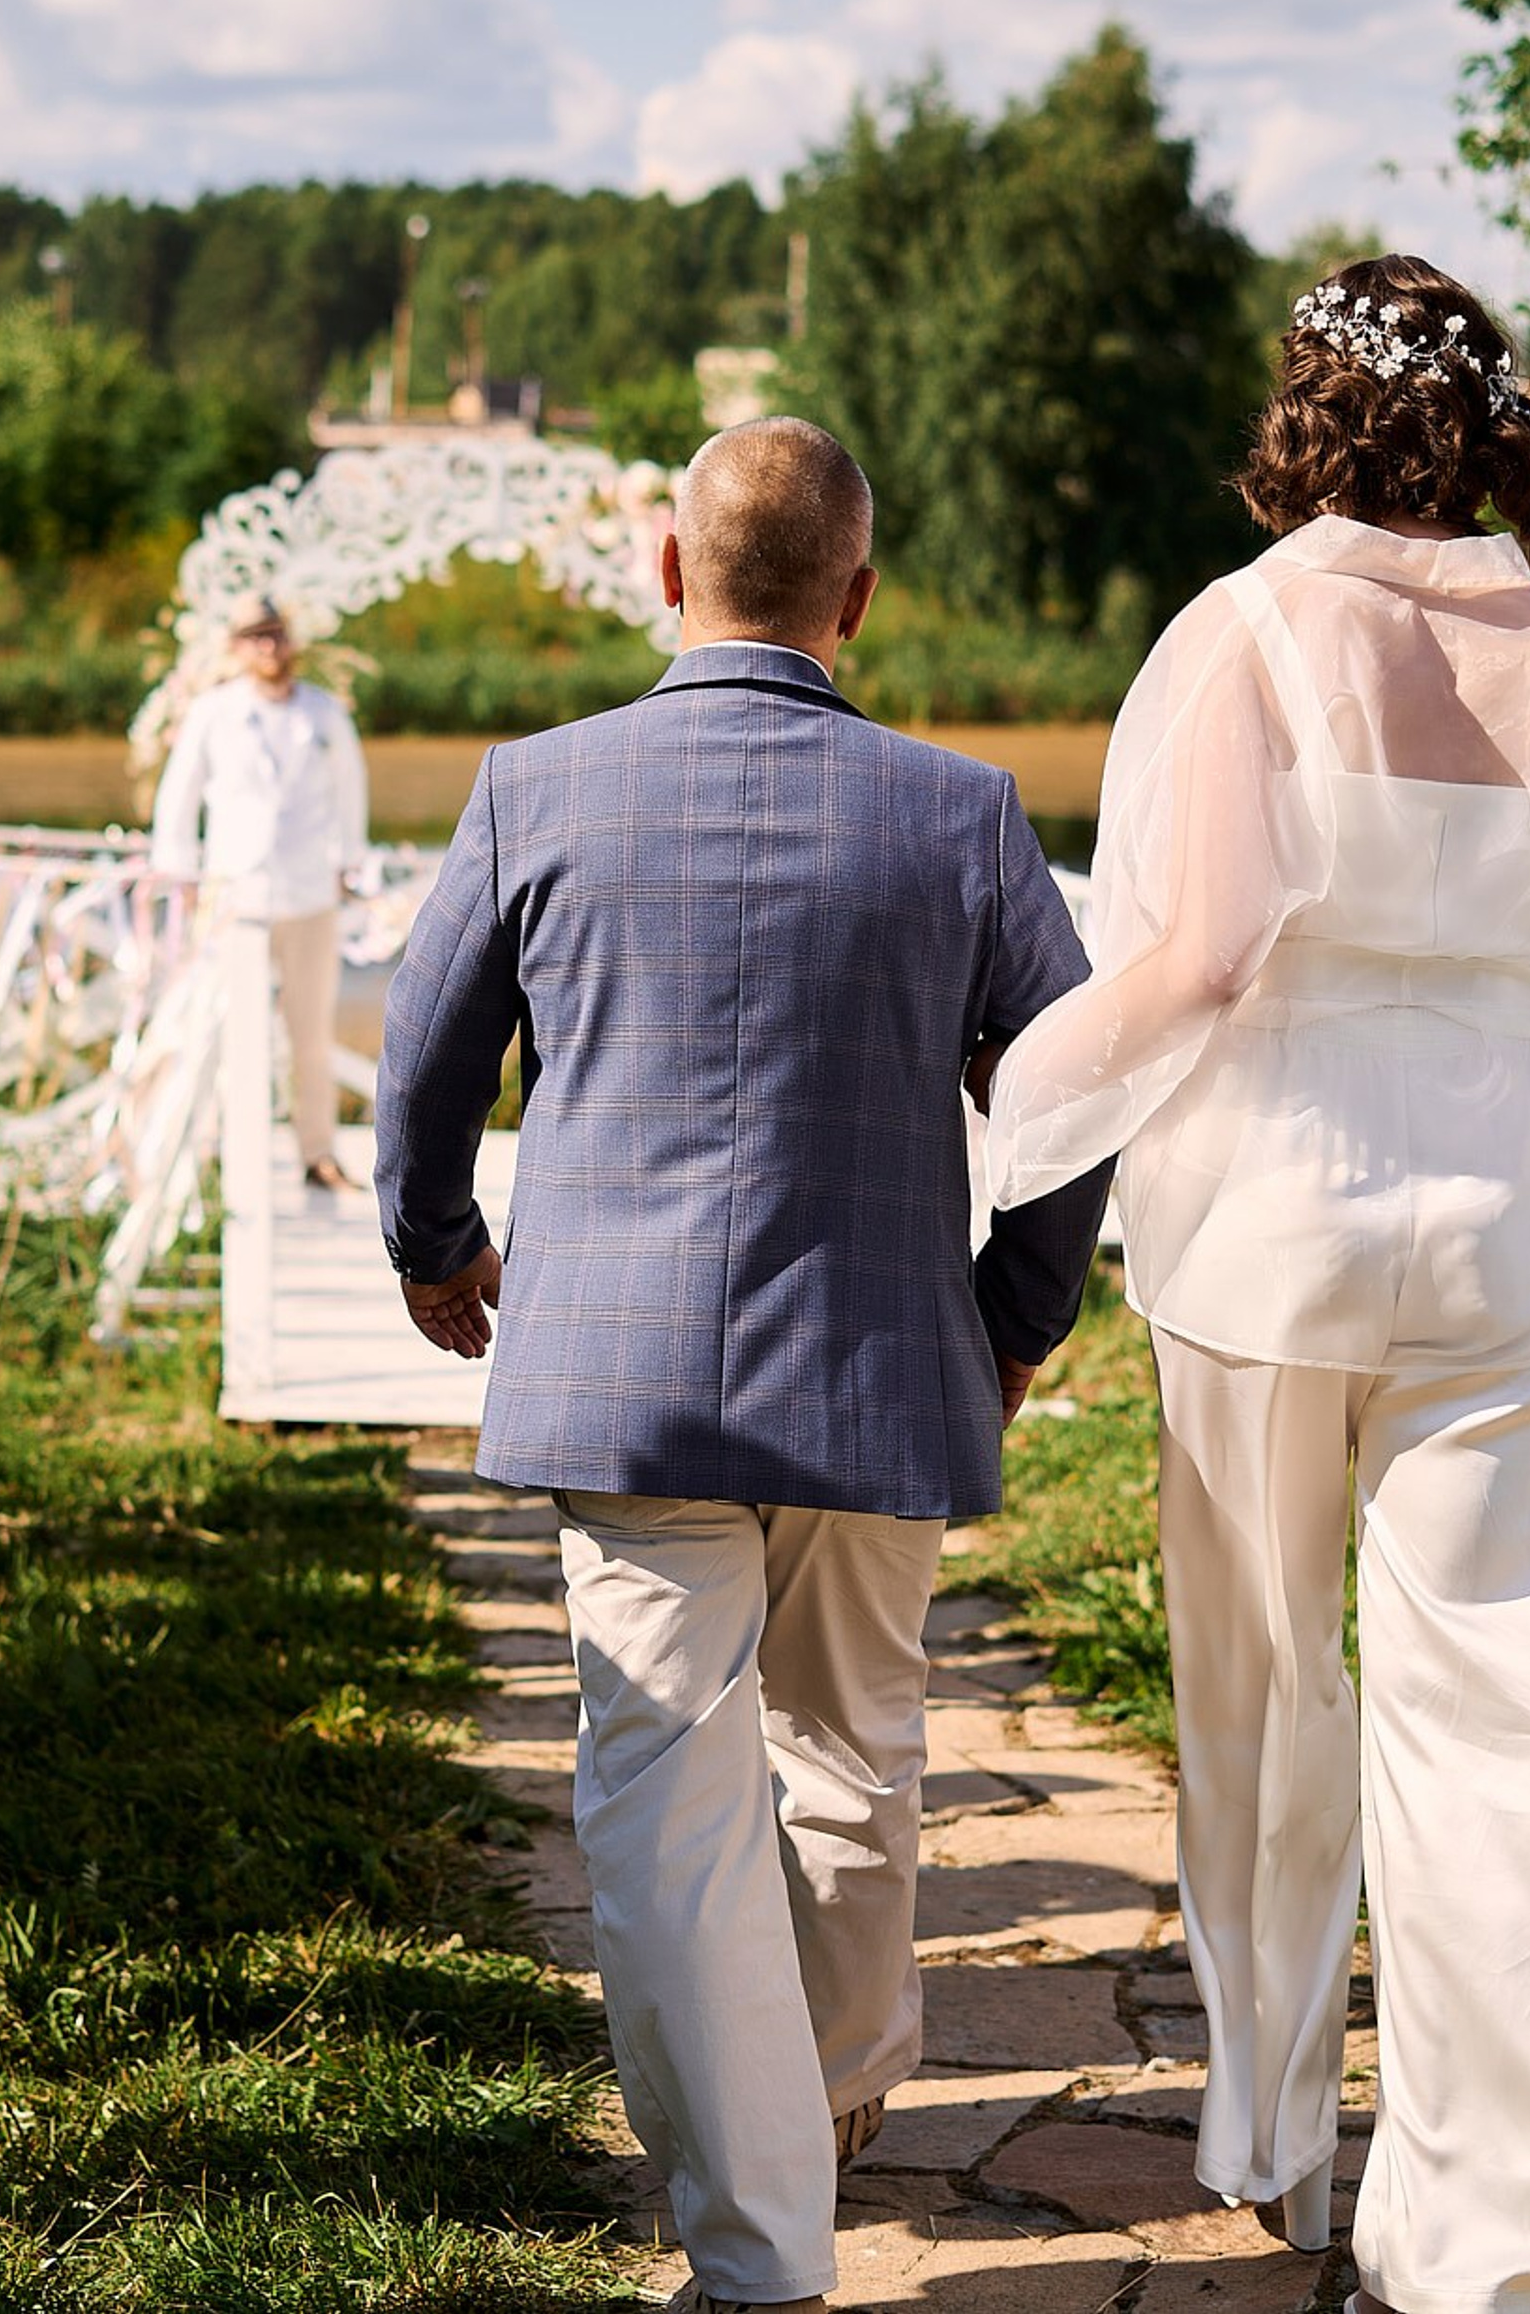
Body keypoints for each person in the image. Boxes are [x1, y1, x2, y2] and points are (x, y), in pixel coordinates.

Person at [987, 258, 1530, 2314]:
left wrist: (994, 1132)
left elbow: (1191, 958)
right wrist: (1467, 1075)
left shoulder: (1237, 635)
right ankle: (1502, 2248)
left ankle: (1269, 2132)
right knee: (1501, 1724)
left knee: (1259, 1692)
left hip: (1259, 1233)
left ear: (1306, 419)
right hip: (1496, 1226)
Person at [375, 418, 1109, 2314]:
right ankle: (841, 2094)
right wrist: (1017, 1312)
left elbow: (428, 1062)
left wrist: (437, 1242)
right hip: (883, 1359)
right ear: (858, 597)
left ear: (666, 575)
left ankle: (760, 2231)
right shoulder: (959, 809)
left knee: (658, 1786)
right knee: (855, 1750)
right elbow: (1073, 1090)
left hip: (623, 1372)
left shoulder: (538, 788)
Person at [150, 606, 368, 1191]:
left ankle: (317, 1152)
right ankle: (218, 1154)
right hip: (234, 895)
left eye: (273, 634)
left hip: (307, 892)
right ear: (236, 647)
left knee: (311, 1033)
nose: (267, 647)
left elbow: (350, 788)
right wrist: (180, 869)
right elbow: (179, 796)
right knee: (224, 1029)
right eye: (254, 637)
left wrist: (349, 858)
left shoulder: (322, 712)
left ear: (289, 639)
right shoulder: (214, 713)